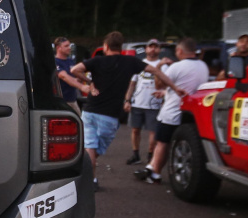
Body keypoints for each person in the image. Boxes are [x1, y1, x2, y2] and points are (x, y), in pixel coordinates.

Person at [71, 31, 187, 191]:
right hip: (110, 116)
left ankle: (89, 178)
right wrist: (175, 87)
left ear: (105, 46)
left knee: (90, 148)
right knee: (93, 149)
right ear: (121, 47)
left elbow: (75, 70)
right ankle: (91, 181)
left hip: (89, 111)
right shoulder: (130, 62)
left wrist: (90, 82)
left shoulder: (97, 60)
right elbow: (157, 72)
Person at [135, 38, 210, 184]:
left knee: (163, 142)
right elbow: (188, 86)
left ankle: (155, 174)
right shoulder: (203, 66)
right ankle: (151, 167)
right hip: (191, 113)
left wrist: (160, 67)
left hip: (172, 111)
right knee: (176, 144)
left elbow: (158, 84)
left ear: (180, 51)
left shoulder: (177, 67)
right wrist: (165, 93)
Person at [123, 39, 166, 164]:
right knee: (135, 130)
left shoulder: (163, 65)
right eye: (150, 47)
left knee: (153, 131)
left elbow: (167, 84)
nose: (153, 49)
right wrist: (127, 100)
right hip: (137, 102)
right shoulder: (139, 64)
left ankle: (150, 154)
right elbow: (132, 84)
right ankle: (135, 154)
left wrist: (164, 99)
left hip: (154, 104)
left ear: (159, 50)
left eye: (156, 47)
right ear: (146, 49)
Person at [54, 37, 91, 113]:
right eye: (66, 46)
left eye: (69, 46)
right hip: (62, 102)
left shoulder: (70, 61)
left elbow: (76, 75)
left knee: (80, 122)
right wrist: (82, 87)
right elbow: (64, 76)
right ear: (58, 48)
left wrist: (89, 81)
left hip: (72, 100)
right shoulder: (55, 62)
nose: (69, 48)